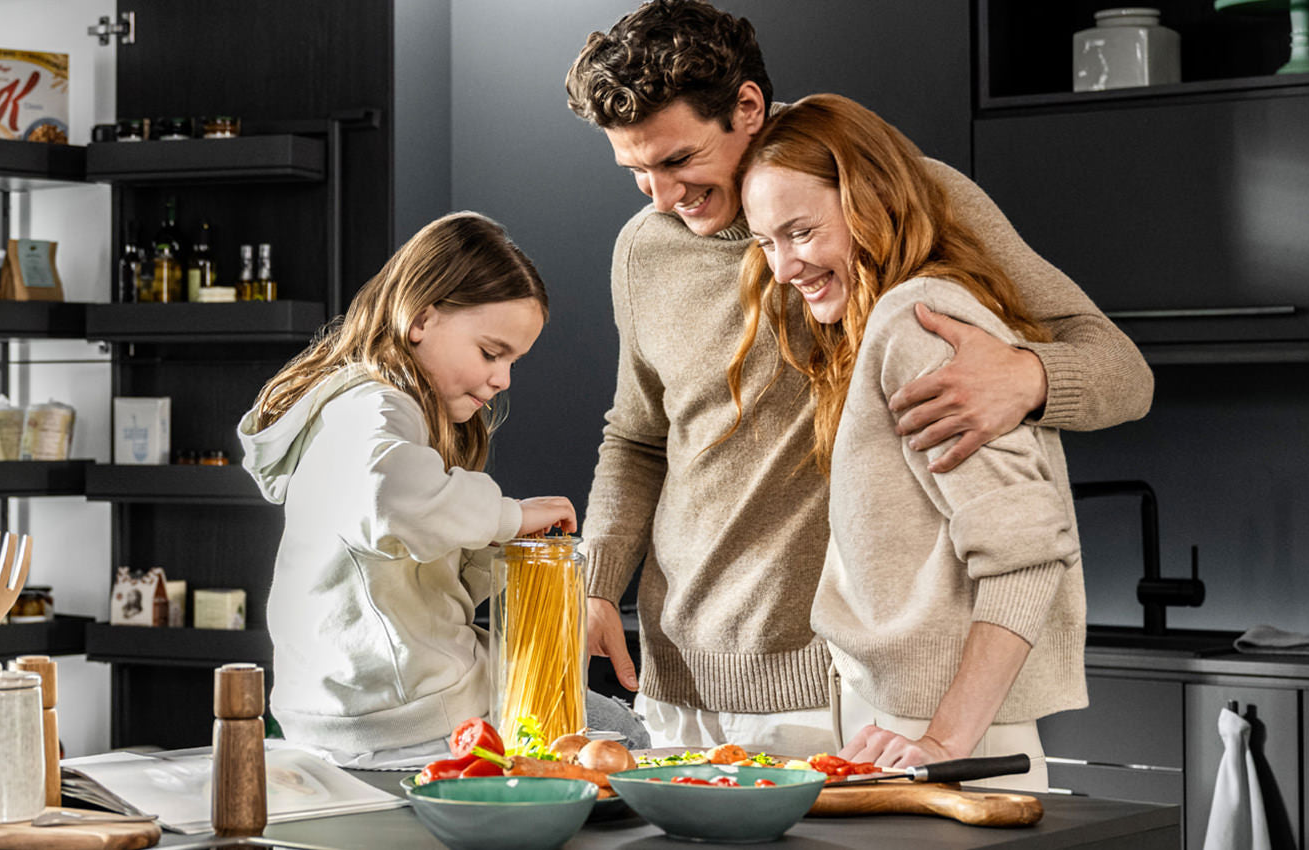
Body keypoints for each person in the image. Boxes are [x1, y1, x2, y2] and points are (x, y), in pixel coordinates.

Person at [563, 0, 1151, 757]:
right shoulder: (644, 248)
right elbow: (639, 436)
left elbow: (1121, 371)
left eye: (677, 161)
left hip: (837, 688)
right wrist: (598, 579)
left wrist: (1029, 376)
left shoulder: (900, 199)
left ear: (747, 106)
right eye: (636, 171)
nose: (662, 197)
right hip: (676, 678)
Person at [732, 94, 1084, 791]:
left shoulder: (917, 323)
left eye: (800, 232)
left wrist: (947, 736)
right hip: (905, 725)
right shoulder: (879, 326)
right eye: (767, 242)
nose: (782, 268)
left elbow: (1026, 556)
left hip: (949, 735)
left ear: (872, 202)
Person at [237, 212, 578, 766]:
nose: (503, 379)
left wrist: (501, 548)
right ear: (421, 319)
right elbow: (388, 497)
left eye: (514, 361)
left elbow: (403, 558)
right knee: (614, 738)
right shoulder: (373, 407)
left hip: (342, 710)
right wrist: (509, 517)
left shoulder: (353, 411)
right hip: (407, 717)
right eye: (492, 352)